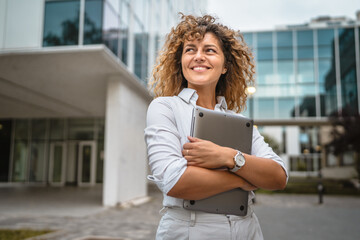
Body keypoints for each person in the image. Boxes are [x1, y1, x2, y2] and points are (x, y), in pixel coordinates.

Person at [144, 13, 288, 240]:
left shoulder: (239, 122)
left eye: (209, 50)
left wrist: (228, 157)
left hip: (247, 230)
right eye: (190, 50)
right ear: (180, 62)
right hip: (189, 230)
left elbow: (278, 176)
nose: (198, 56)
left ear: (224, 67)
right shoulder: (164, 108)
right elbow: (175, 181)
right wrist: (246, 178)